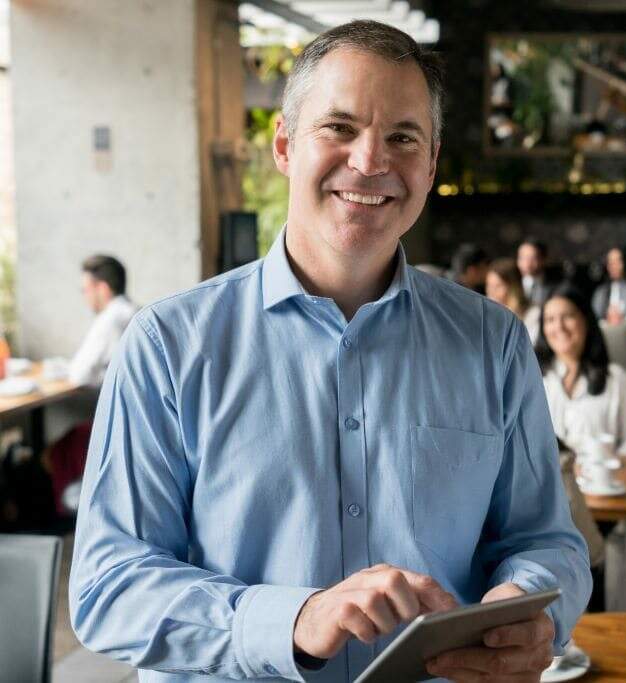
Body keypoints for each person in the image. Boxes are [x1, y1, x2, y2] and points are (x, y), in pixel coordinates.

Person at [69, 21, 590, 683]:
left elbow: (545, 539)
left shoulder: (495, 342)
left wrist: (530, 603)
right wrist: (291, 619)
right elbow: (109, 585)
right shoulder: (168, 345)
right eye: (339, 128)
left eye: (403, 137)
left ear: (430, 166)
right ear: (285, 145)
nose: (371, 160)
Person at [537, 284, 626, 457]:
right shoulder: (532, 380)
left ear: (586, 320)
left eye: (568, 316)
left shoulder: (618, 380)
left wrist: (605, 468)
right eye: (550, 320)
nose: (559, 327)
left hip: (601, 480)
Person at [68, 254, 137, 387]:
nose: (85, 296)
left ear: (102, 288)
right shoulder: (137, 311)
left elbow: (79, 375)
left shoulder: (110, 319)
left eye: (85, 290)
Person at [486, 258, 540, 344]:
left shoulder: (533, 313)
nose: (491, 291)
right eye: (489, 285)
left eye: (498, 286)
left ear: (514, 287)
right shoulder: (487, 316)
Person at [517, 238, 552, 306]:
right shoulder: (513, 281)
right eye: (522, 257)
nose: (527, 263)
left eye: (533, 258)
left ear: (544, 259)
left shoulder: (557, 286)